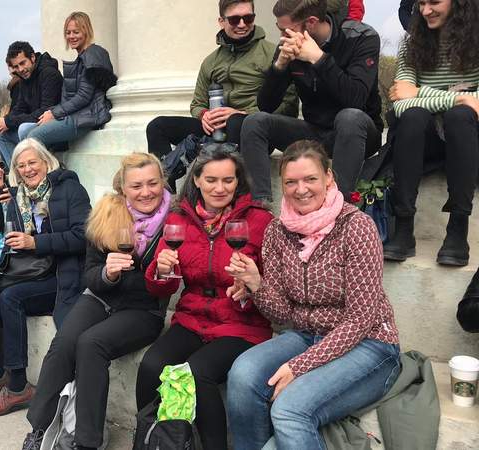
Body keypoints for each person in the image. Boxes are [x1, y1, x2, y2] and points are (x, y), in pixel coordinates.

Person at [225, 140, 400, 450]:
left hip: (370, 345)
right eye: (291, 182)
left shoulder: (357, 227)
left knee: (290, 408)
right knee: (242, 373)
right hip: (308, 335)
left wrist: (300, 365)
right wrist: (256, 284)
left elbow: (361, 319)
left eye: (310, 179)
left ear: (328, 178)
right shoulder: (278, 231)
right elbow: (282, 315)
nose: (300, 189)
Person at [23, 153, 171, 450]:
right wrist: (107, 274)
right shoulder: (108, 212)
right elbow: (89, 274)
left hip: (143, 310)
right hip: (100, 296)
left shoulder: (175, 221)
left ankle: (87, 442)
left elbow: (155, 289)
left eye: (153, 183)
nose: (146, 192)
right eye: (136, 186)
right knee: (63, 343)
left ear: (163, 183)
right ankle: (40, 428)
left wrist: (122, 280)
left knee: (91, 344)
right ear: (123, 188)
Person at [135, 150, 273, 450]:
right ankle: (152, 442)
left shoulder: (260, 220)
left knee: (197, 374)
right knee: (150, 366)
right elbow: (161, 290)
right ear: (196, 180)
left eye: (227, 180)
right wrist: (160, 272)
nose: (219, 188)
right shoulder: (179, 219)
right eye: (211, 179)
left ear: (239, 182)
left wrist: (252, 287)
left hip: (241, 323)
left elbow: (277, 287)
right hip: (193, 318)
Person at [0, 138, 91, 416]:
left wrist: (36, 242)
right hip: (29, 270)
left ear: (46, 161)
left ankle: (18, 387)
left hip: (62, 274)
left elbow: (83, 238)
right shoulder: (17, 199)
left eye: (32, 162)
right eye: (21, 166)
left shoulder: (70, 190)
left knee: (10, 298)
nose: (28, 170)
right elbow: (8, 246)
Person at [239, 0, 383, 202]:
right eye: (280, 30)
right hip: (315, 132)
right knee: (255, 122)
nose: (283, 36)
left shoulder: (361, 37)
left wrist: (319, 59)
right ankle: (260, 208)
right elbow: (266, 105)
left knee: (349, 117)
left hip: (359, 133)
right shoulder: (289, 42)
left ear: (312, 22)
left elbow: (356, 99)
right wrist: (279, 66)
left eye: (288, 30)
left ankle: (337, 210)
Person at [382, 0, 479, 266]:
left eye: (434, 2)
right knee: (413, 116)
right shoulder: (412, 42)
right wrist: (458, 98)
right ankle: (404, 228)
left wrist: (420, 93)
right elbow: (401, 99)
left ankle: (457, 229)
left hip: (469, 140)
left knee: (460, 117)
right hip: (428, 142)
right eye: (421, 3)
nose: (425, 11)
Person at [146, 0, 298, 157]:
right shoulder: (211, 61)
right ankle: (161, 180)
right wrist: (204, 115)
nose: (242, 24)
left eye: (248, 18)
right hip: (216, 130)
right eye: (234, 20)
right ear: (221, 21)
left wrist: (243, 113)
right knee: (157, 126)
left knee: (234, 123)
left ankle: (209, 153)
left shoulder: (274, 54)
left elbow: (288, 106)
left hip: (255, 130)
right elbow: (197, 104)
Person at [26, 12, 117, 151]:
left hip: (87, 119)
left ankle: (49, 171)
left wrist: (54, 113)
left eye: (76, 32)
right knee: (24, 131)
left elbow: (83, 97)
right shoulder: (83, 56)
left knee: (33, 137)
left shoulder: (92, 55)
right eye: (68, 33)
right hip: (76, 115)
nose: (71, 36)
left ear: (86, 31)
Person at [0, 41, 63, 164]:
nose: (21, 69)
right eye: (16, 66)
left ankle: (38, 169)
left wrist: (8, 122)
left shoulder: (49, 74)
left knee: (24, 129)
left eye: (23, 63)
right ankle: (17, 177)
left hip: (55, 122)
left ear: (32, 57)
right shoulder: (24, 79)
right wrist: (4, 121)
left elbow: (46, 110)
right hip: (37, 123)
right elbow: (20, 108)